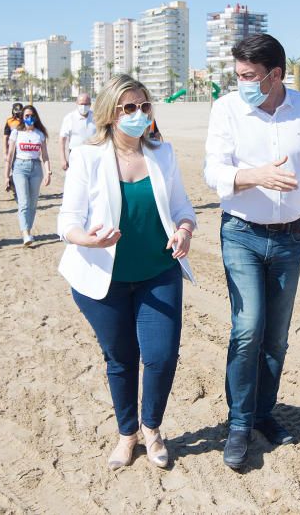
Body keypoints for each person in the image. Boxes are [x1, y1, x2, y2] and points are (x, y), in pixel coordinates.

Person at [204, 33, 300, 470]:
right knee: (248, 328)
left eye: (249, 76)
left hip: (291, 238)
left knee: (276, 338)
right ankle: (238, 423)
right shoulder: (227, 109)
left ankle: (264, 413)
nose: (241, 83)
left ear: (276, 75)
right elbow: (214, 170)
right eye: (237, 75)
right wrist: (256, 176)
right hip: (241, 234)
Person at [58, 74, 197, 471]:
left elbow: (184, 209)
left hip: (158, 272)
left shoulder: (162, 153)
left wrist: (185, 230)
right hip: (103, 279)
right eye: (129, 108)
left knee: (161, 356)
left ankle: (151, 428)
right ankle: (127, 435)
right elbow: (66, 220)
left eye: (144, 106)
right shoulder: (88, 157)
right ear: (110, 113)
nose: (139, 114)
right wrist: (85, 239)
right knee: (120, 359)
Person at [6, 105, 52, 246]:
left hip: (36, 168)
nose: (29, 118)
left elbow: (44, 155)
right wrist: (7, 175)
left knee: (32, 203)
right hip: (20, 167)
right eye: (26, 116)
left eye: (31, 115)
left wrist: (48, 172)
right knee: (24, 201)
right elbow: (10, 154)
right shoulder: (16, 133)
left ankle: (29, 230)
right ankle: (25, 232)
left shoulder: (39, 134)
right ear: (22, 117)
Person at [59, 93, 96, 172]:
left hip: (93, 155)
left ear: (90, 104)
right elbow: (62, 139)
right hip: (75, 155)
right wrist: (63, 159)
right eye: (81, 104)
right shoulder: (69, 118)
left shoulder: (96, 117)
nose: (83, 106)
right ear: (76, 103)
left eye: (86, 104)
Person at [3, 102, 24, 195]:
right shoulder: (10, 121)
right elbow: (5, 137)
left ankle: (14, 184)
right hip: (12, 148)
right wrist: (5, 151)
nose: (18, 113)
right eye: (17, 111)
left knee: (19, 168)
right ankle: (12, 184)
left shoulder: (26, 120)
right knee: (13, 167)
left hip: (22, 148)